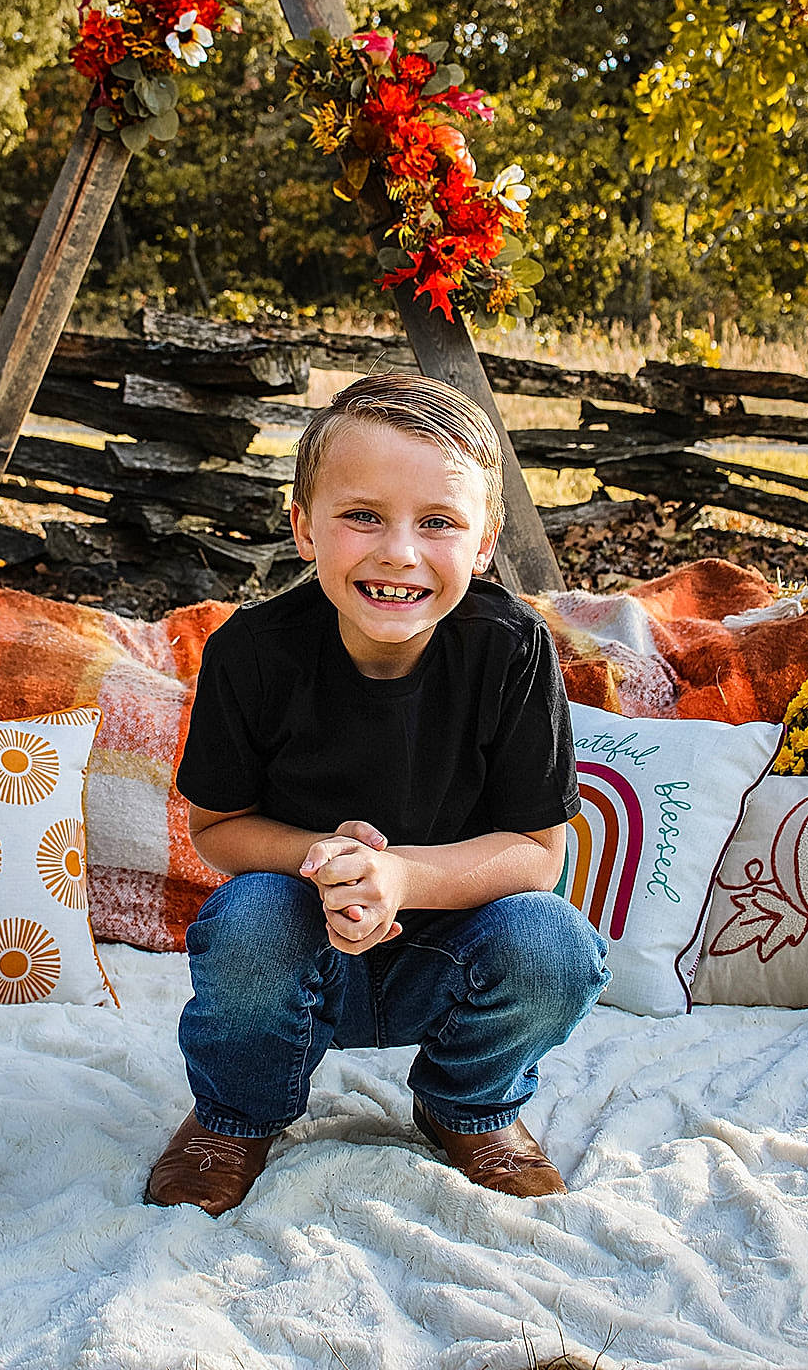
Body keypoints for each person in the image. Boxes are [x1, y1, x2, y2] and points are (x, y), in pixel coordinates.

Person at [144, 372, 608, 1216]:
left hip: (456, 949)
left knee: (556, 945)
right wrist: (325, 859)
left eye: (438, 522)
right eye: (363, 515)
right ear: (303, 527)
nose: (399, 552)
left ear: (484, 540)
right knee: (245, 921)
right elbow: (216, 827)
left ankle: (467, 1106)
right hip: (301, 941)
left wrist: (400, 877)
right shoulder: (250, 652)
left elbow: (539, 856)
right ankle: (235, 1117)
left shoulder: (512, 648)